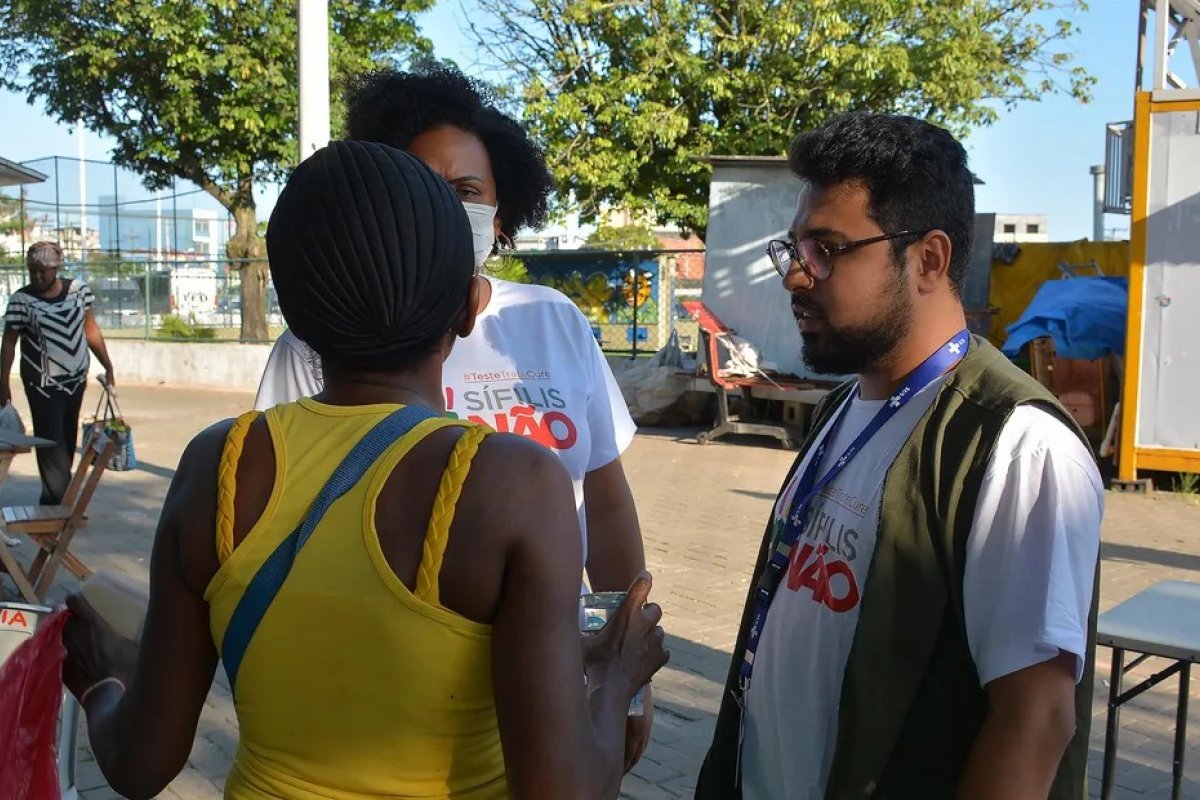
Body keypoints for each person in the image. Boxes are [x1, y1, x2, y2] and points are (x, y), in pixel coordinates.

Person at [61, 141, 668, 800]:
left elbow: (139, 764)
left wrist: (105, 681)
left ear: (293, 315)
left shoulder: (219, 465)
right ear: (467, 307)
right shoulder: (511, 483)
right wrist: (615, 673)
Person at [695, 113, 1103, 799]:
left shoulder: (1016, 444)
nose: (796, 277)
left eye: (826, 249)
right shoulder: (842, 409)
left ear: (929, 259)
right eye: (793, 249)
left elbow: (1036, 721)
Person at [254, 64, 653, 766]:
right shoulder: (322, 345)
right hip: (384, 696)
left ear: (500, 217)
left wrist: (622, 676)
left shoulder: (552, 321)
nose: (443, 211)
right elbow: (275, 517)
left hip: (551, 675)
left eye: (466, 192)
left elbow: (608, 502)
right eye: (420, 188)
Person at [1, 241, 115, 504]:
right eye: (32, 271)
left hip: (76, 381)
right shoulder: (21, 300)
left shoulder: (78, 291)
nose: (38, 276)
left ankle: (58, 501)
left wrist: (107, 365)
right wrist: (3, 383)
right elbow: (9, 343)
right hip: (41, 385)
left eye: (43, 270)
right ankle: (56, 504)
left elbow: (91, 331)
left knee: (66, 438)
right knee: (51, 444)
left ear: (56, 267)